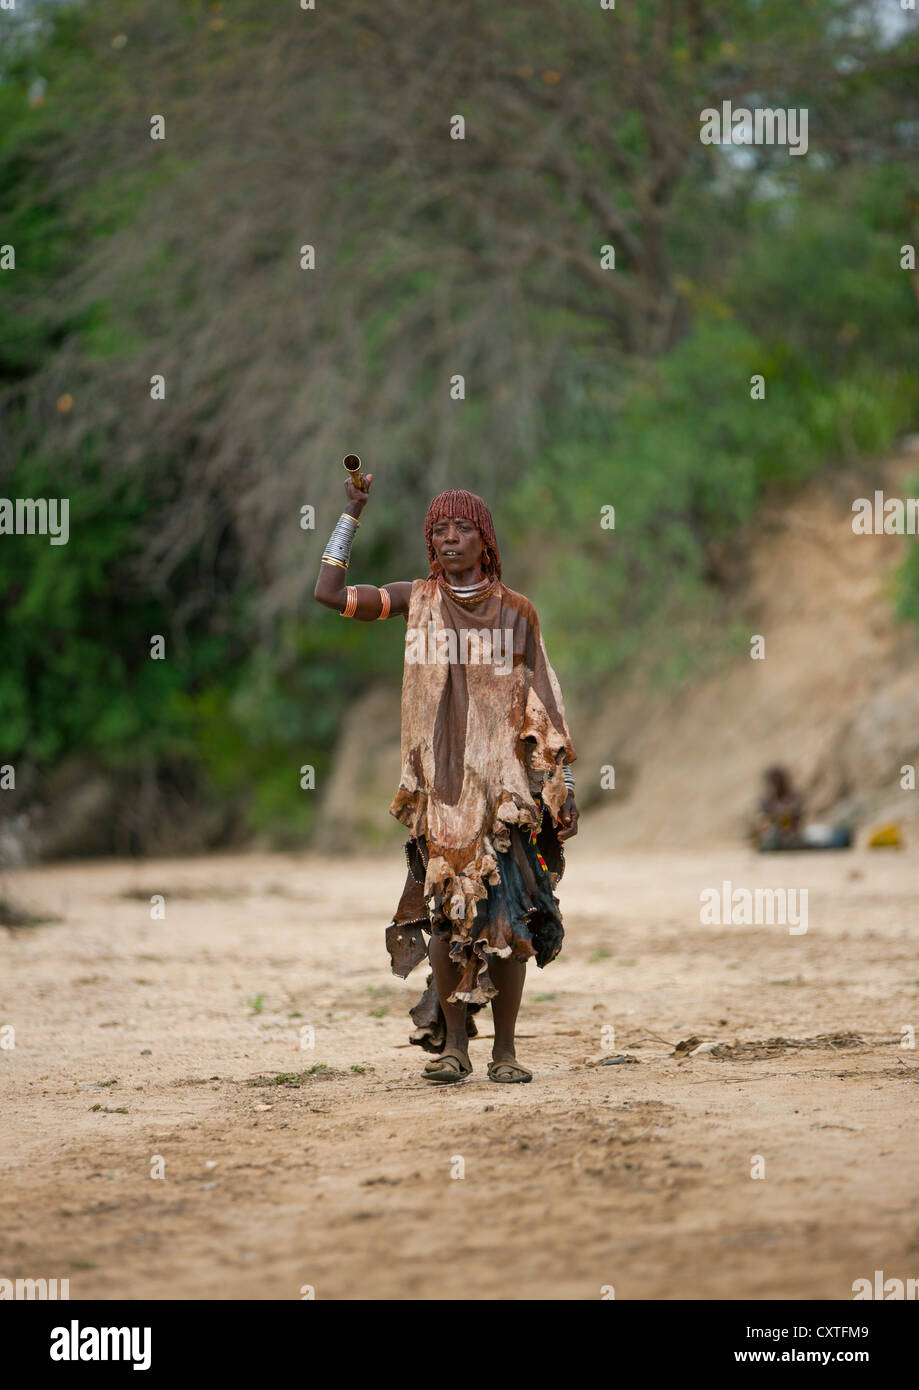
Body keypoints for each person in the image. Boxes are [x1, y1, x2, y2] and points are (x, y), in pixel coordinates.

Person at [314, 471, 578, 1084]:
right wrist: (350, 514)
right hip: (441, 790)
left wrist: (562, 786)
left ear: (486, 539)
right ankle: (456, 1048)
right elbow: (329, 595)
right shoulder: (417, 599)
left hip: (506, 791)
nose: (450, 537)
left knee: (510, 921)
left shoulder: (517, 612)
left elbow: (546, 702)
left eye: (462, 528)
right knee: (444, 916)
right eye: (439, 530)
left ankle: (505, 1051)